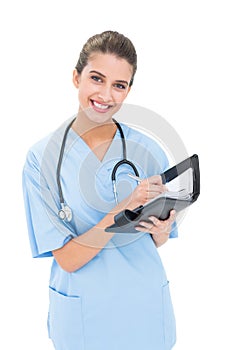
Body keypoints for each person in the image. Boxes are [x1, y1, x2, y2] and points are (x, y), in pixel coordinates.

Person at [22, 30, 178, 350]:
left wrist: (163, 229)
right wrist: (120, 208)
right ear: (76, 77)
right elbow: (67, 258)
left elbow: (156, 240)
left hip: (145, 310)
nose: (106, 95)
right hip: (85, 317)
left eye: (119, 85)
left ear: (128, 90)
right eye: (97, 78)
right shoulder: (42, 159)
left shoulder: (148, 150)